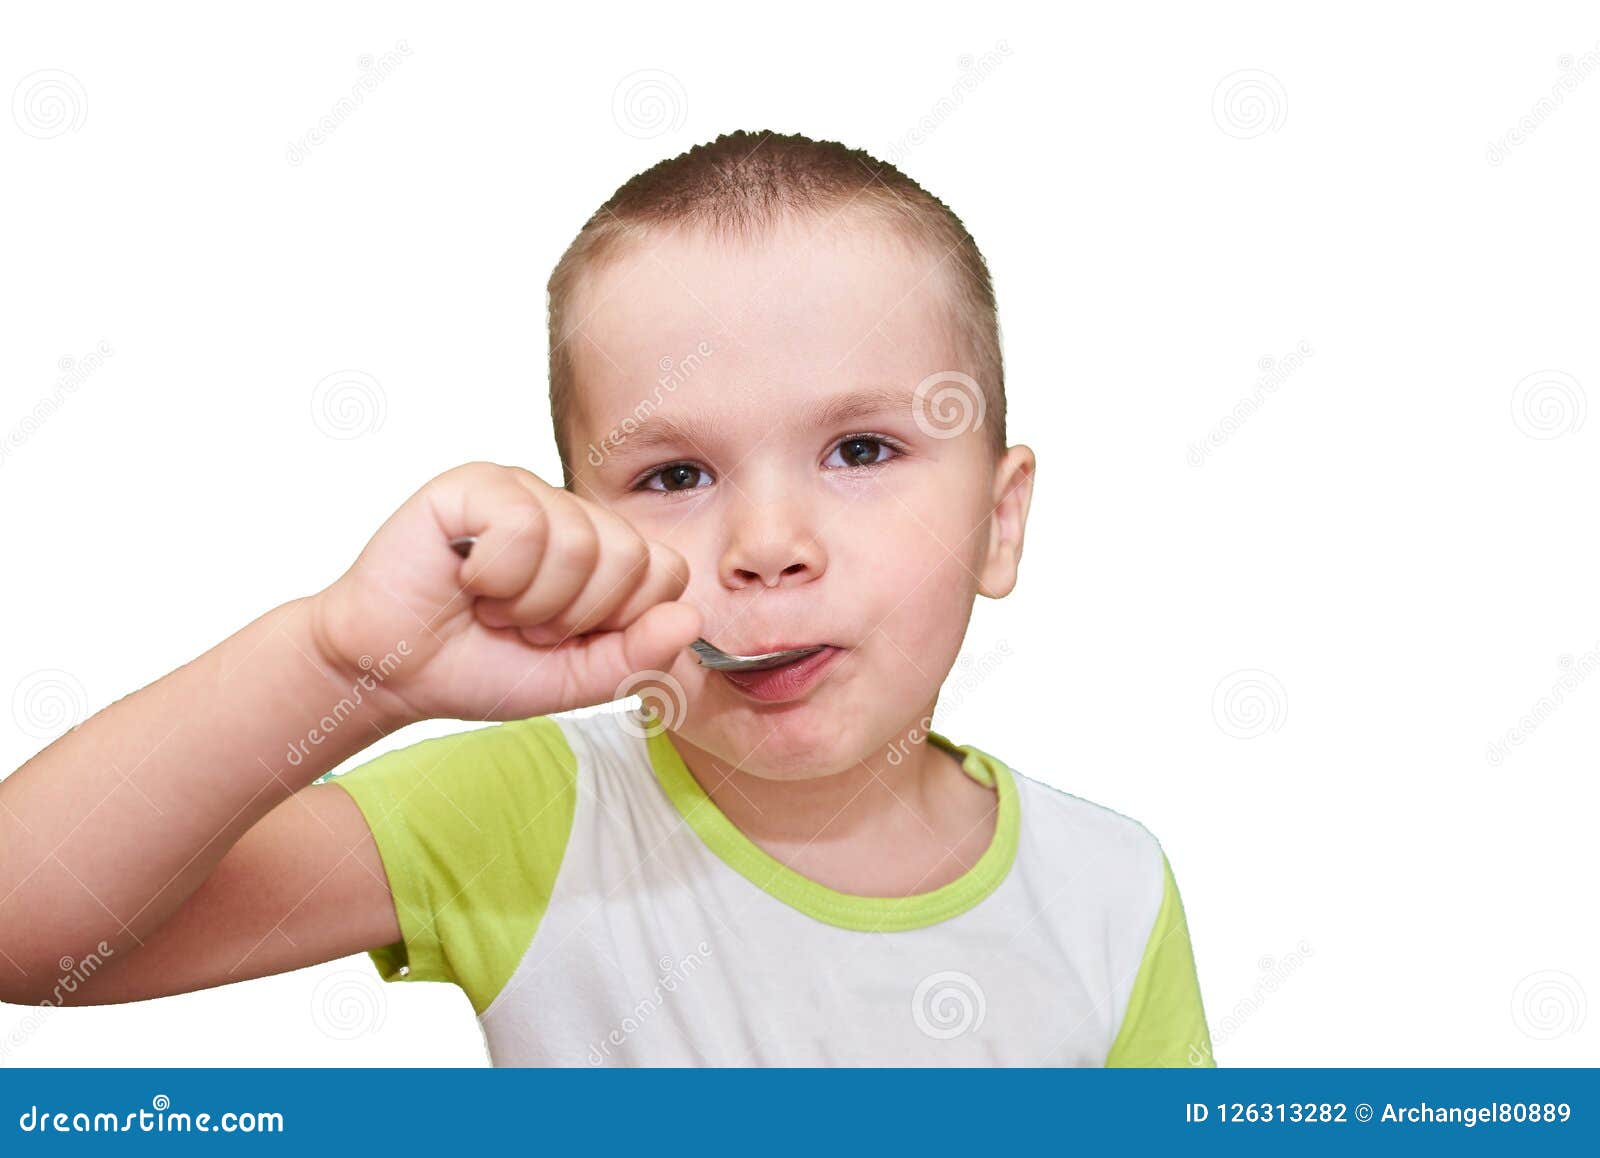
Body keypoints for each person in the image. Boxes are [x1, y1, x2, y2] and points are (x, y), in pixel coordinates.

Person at [0, 131, 1213, 1067]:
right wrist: (346, 668)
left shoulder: (1109, 888)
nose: (767, 544)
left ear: (998, 523)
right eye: (674, 475)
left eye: (860, 450)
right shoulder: (532, 815)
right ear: (578, 529)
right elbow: (29, 933)